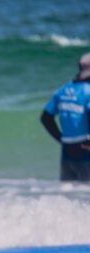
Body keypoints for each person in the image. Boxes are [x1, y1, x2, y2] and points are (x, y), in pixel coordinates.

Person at [40, 52, 90, 182]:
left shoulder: (64, 89)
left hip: (67, 149)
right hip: (86, 149)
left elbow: (45, 118)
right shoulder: (88, 91)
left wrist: (61, 138)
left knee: (69, 194)